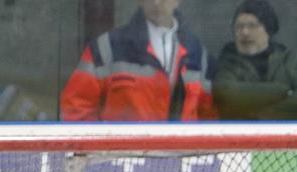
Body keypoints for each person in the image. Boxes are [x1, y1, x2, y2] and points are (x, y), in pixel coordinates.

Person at [59, 0, 215, 121]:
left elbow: (210, 117)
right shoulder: (107, 48)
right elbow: (75, 108)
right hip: (122, 158)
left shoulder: (198, 55)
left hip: (182, 158)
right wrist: (101, 150)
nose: (156, 2)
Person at [212, 0, 297, 120]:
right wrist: (283, 91)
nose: (245, 32)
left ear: (268, 29)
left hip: (285, 135)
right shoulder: (227, 62)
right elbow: (227, 95)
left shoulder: (289, 60)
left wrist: (264, 116)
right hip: (239, 135)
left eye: (252, 26)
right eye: (239, 26)